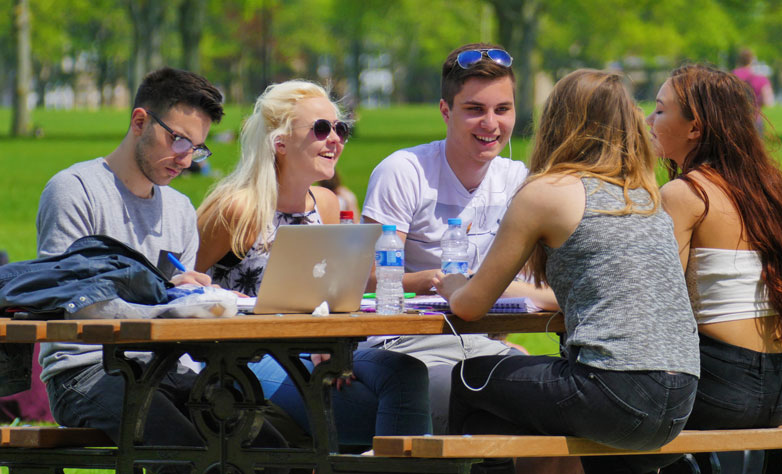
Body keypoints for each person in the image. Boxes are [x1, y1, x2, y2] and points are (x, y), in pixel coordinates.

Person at [434, 69, 701, 474]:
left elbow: (471, 307)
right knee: (537, 406)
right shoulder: (643, 195)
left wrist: (453, 283)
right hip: (680, 395)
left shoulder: (548, 191)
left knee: (471, 378)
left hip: (616, 391)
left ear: (557, 122)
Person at [35, 67, 287, 452]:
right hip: (85, 371)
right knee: (183, 453)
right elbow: (71, 303)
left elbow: (173, 304)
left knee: (271, 451)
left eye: (197, 148)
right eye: (180, 140)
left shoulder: (180, 209)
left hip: (169, 368)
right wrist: (169, 306)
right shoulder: (74, 190)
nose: (186, 159)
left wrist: (198, 300)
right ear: (140, 121)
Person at [195, 80, 431, 447]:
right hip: (243, 358)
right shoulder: (238, 210)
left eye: (341, 128)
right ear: (280, 142)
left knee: (407, 373)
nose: (335, 138)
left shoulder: (325, 203)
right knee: (386, 413)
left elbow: (330, 294)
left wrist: (333, 340)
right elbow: (178, 285)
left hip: (313, 350)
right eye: (321, 129)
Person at [359, 43, 558, 434]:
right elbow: (366, 276)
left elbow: (550, 287)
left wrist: (480, 295)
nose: (491, 124)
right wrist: (436, 281)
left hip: (480, 345)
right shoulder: (404, 171)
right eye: (474, 110)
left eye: (503, 110)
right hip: (403, 346)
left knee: (562, 415)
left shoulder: (519, 180)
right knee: (497, 410)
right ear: (445, 111)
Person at [646, 65, 782, 472]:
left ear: (694, 128)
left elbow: (653, 302)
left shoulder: (685, 193)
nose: (649, 120)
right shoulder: (764, 187)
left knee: (598, 408)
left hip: (721, 386)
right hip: (779, 385)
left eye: (660, 110)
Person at [732, 49, 775, 133]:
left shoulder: (730, 77)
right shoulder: (760, 78)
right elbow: (768, 102)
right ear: (752, 60)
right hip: (754, 121)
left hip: (734, 122)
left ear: (739, 60)